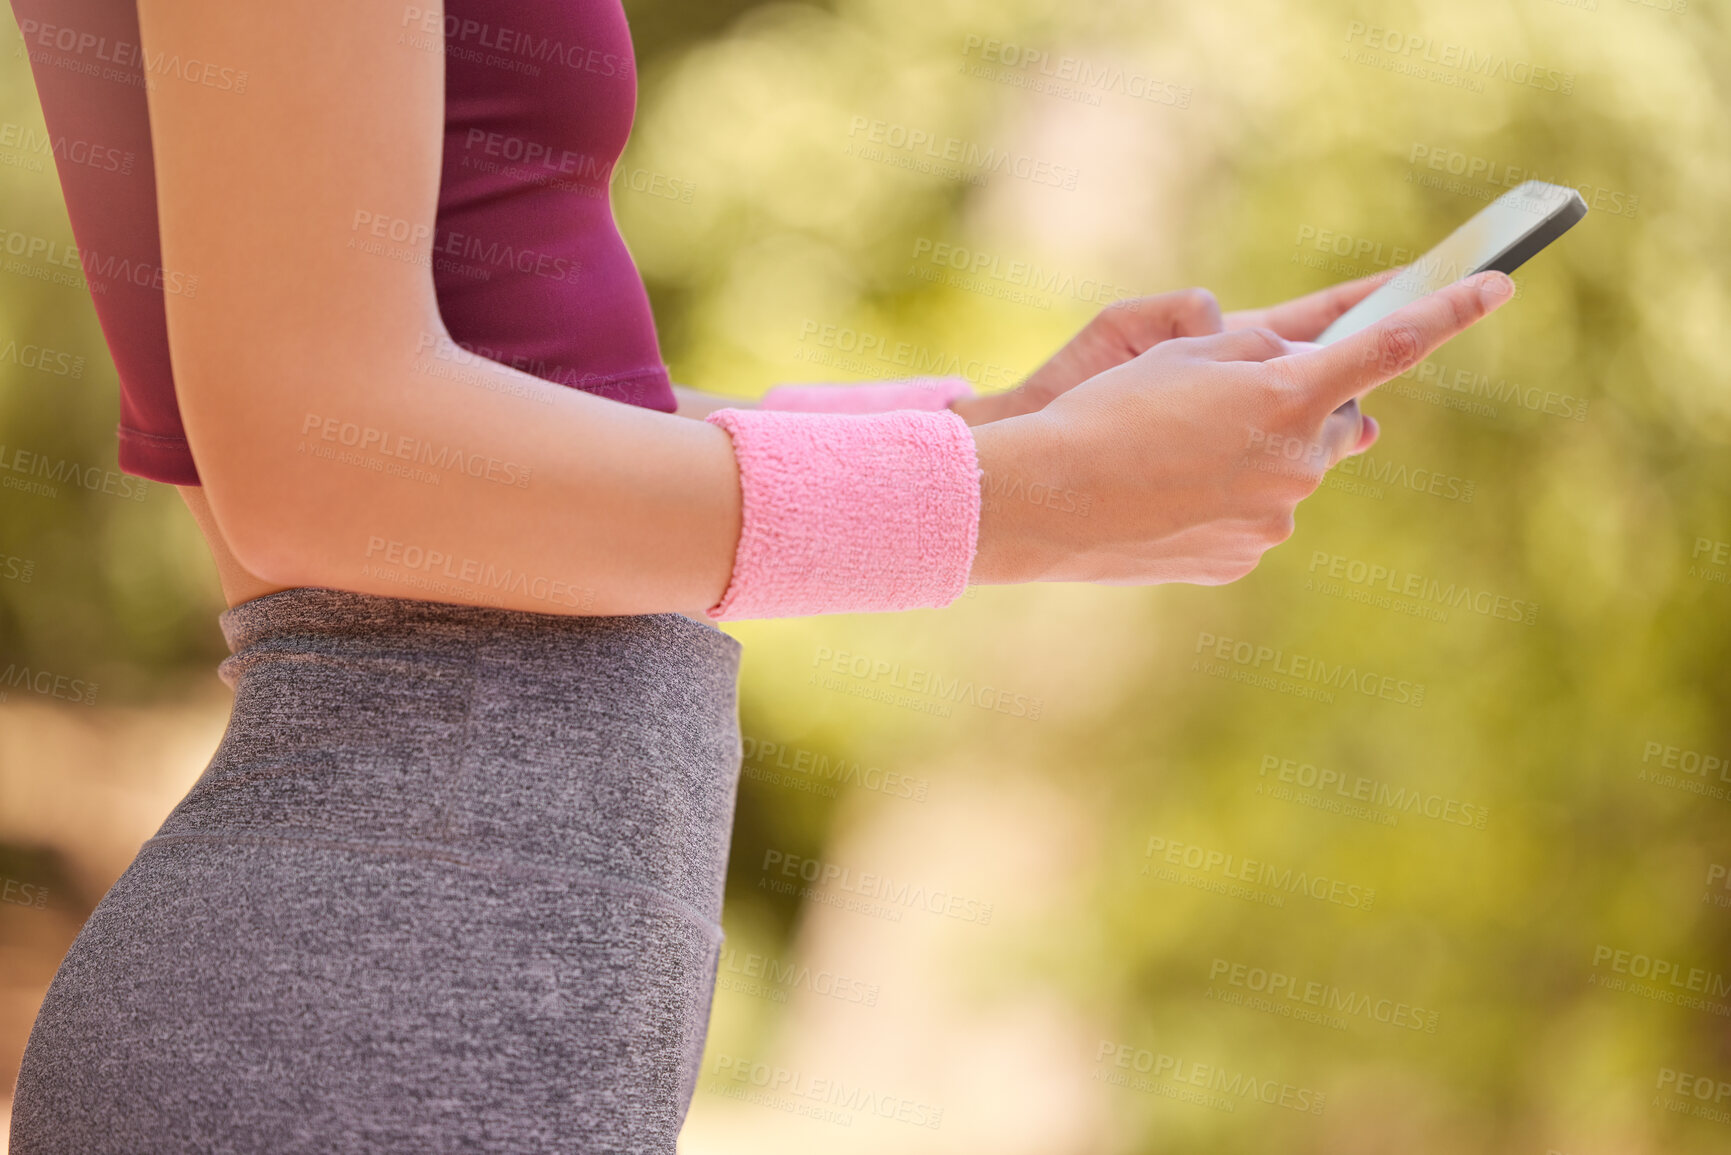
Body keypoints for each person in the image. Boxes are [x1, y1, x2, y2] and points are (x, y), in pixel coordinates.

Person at [4, 0, 1513, 1151]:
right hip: (369, 1017)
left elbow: (468, 407)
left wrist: (1001, 438)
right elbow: (317, 458)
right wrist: (1012, 502)